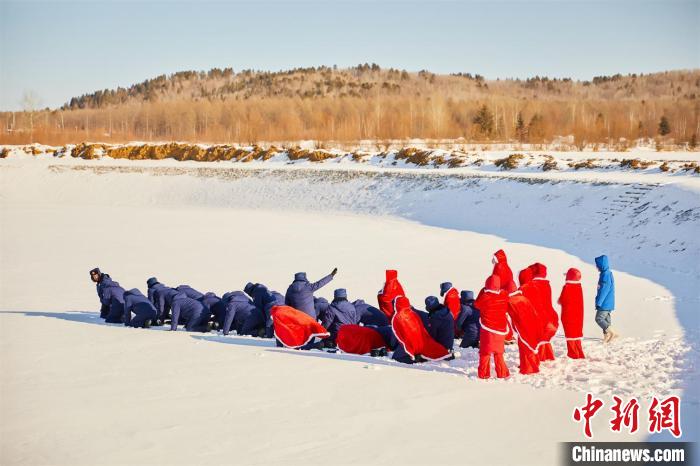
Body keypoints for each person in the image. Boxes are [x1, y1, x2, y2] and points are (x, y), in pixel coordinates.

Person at [390, 296, 451, 364]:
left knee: (396, 357)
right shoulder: (413, 313)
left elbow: (396, 333)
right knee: (431, 347)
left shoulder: (397, 317)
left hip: (410, 343)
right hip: (421, 342)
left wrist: (392, 346)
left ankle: (415, 359)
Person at [474, 275, 510, 379]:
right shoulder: (504, 295)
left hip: (488, 329)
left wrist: (482, 291)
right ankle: (502, 373)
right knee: (498, 353)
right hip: (501, 330)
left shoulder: (485, 297)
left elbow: (477, 305)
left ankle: (484, 374)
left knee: (485, 352)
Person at [504, 281, 541, 375]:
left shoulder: (510, 301)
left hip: (523, 327)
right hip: (533, 323)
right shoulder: (523, 297)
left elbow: (505, 311)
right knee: (530, 344)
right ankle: (533, 363)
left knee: (524, 346)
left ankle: (529, 368)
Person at [528, 263, 558, 361]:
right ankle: (548, 354)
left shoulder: (533, 285)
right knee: (545, 333)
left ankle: (539, 356)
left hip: (538, 313)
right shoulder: (546, 284)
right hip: (549, 312)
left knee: (538, 335)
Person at [559, 268, 585, 358]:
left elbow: (562, 300)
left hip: (568, 314)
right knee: (576, 333)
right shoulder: (579, 287)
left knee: (570, 333)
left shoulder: (567, 287)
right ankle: (579, 352)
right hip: (578, 315)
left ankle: (573, 354)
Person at [594, 255, 617, 343]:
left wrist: (599, 302)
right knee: (606, 318)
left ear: (601, 265)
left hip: (605, 302)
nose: (596, 267)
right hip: (608, 302)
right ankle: (607, 336)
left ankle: (611, 332)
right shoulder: (607, 273)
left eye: (597, 265)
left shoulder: (605, 275)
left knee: (599, 318)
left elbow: (604, 290)